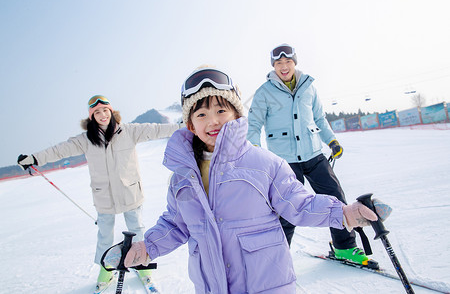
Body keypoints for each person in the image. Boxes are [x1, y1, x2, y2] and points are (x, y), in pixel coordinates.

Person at [121, 67, 379, 293]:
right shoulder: (182, 179)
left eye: (221, 110)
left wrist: (343, 213)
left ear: (236, 114)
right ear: (190, 125)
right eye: (201, 115)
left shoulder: (264, 164)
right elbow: (176, 224)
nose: (212, 121)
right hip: (211, 287)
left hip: (267, 285)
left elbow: (299, 204)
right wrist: (148, 247)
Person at [17, 95, 180, 293]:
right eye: (96, 112)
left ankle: (142, 267)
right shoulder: (86, 140)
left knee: (137, 231)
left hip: (130, 192)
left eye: (105, 110)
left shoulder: (129, 131)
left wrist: (180, 126)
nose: (102, 115)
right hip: (104, 197)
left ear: (112, 112)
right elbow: (59, 150)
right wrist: (34, 158)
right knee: (104, 237)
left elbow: (155, 130)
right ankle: (106, 272)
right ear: (91, 117)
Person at [246, 43, 371, 265]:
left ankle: (345, 247)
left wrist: (331, 140)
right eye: (279, 64)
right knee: (287, 207)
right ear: (273, 66)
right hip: (284, 160)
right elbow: (254, 124)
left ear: (294, 62)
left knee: (336, 198)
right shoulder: (264, 92)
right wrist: (254, 149)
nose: (284, 67)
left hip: (313, 154)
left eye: (288, 62)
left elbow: (319, 118)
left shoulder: (308, 86)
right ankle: (278, 258)